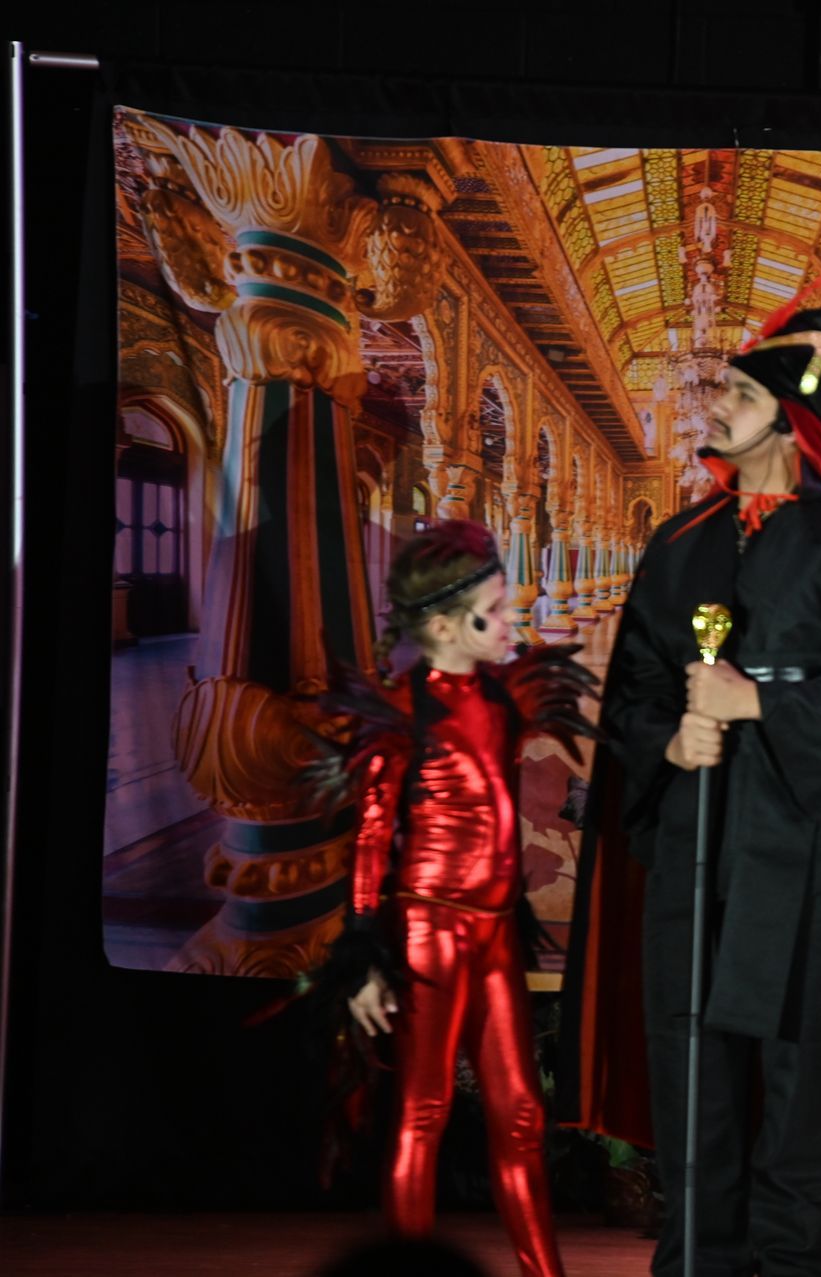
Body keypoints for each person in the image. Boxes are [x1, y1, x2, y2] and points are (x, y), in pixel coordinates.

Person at [556, 300, 821, 1277]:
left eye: (738, 393)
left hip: (811, 861)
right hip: (696, 850)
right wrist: (672, 738)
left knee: (799, 1078)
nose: (717, 407)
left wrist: (758, 703)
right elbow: (635, 689)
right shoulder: (681, 542)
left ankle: (790, 1261)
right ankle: (697, 1259)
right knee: (695, 1075)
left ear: (789, 416)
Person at [303, 519, 600, 1277]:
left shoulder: (501, 701)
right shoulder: (404, 714)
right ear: (441, 626)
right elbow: (373, 840)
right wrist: (365, 957)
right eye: (492, 613)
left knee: (522, 1115)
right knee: (423, 1111)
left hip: (496, 934)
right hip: (429, 935)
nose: (510, 624)